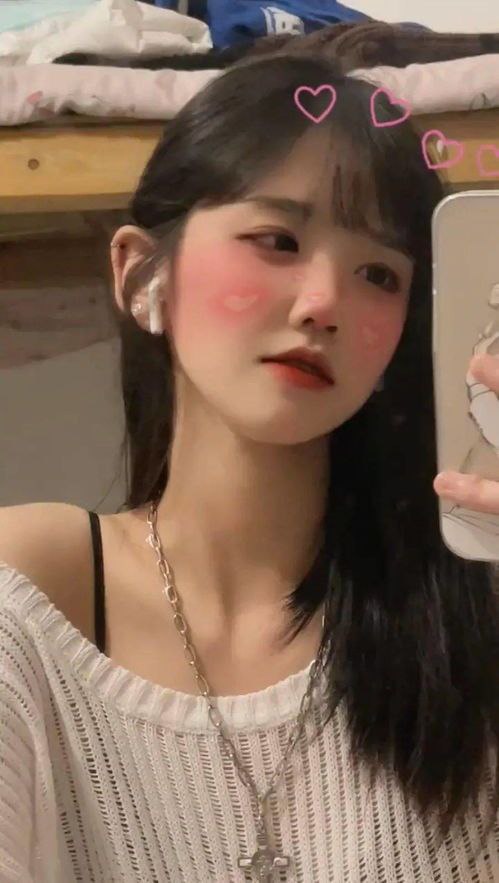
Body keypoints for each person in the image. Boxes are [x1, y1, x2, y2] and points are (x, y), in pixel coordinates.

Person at [1, 53, 499, 883]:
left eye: (378, 274)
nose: (322, 302)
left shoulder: (459, 618)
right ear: (140, 273)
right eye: (277, 240)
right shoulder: (32, 593)